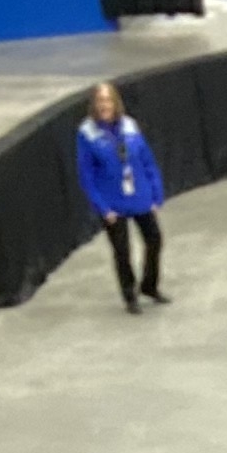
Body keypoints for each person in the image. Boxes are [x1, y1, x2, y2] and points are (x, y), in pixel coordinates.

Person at [73, 80, 166, 314]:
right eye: (100, 101)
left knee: (154, 239)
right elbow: (86, 175)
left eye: (108, 100)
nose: (104, 105)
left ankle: (149, 286)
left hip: (139, 195)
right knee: (122, 250)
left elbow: (147, 160)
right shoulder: (87, 133)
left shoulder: (129, 126)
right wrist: (103, 208)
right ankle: (129, 294)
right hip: (112, 203)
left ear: (116, 102)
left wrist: (156, 194)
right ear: (94, 104)